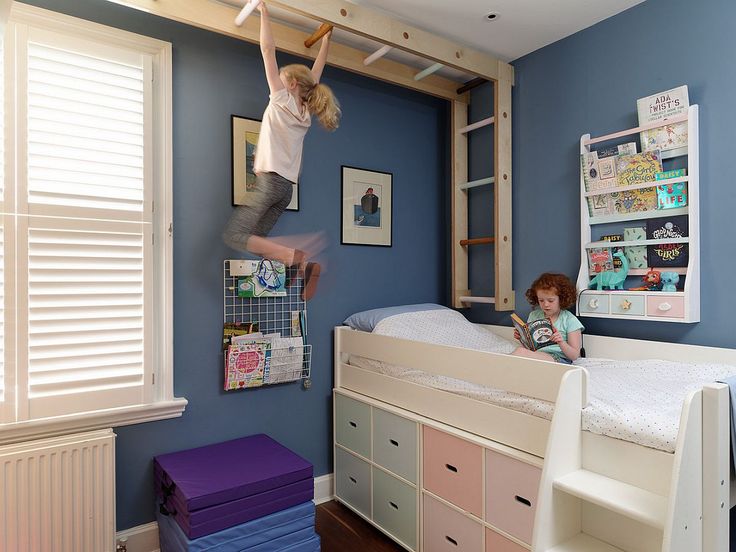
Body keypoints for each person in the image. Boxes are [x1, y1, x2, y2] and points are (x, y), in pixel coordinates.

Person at [222, 1, 341, 300]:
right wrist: (326, 41)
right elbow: (318, 71)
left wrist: (264, 11)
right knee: (256, 240)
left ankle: (296, 256)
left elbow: (268, 50)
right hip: (286, 190)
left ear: (289, 83)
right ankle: (308, 262)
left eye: (283, 77)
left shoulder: (280, 98)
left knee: (235, 236)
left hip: (269, 183)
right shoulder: (305, 113)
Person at [512, 273, 584, 364]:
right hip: (537, 356)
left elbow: (574, 356)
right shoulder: (534, 315)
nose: (546, 304)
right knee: (521, 352)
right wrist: (522, 338)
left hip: (559, 359)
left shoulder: (570, 320)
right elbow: (530, 348)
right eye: (541, 300)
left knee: (520, 352)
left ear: (561, 299)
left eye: (550, 300)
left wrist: (561, 342)